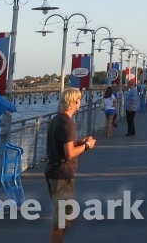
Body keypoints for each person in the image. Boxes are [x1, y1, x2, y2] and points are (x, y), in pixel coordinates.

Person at [45, 88, 96, 243]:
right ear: (74, 101)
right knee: (61, 220)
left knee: (63, 217)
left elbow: (63, 145)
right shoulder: (68, 123)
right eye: (79, 99)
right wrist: (87, 145)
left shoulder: (57, 119)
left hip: (53, 171)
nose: (80, 101)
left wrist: (80, 142)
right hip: (62, 175)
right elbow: (69, 153)